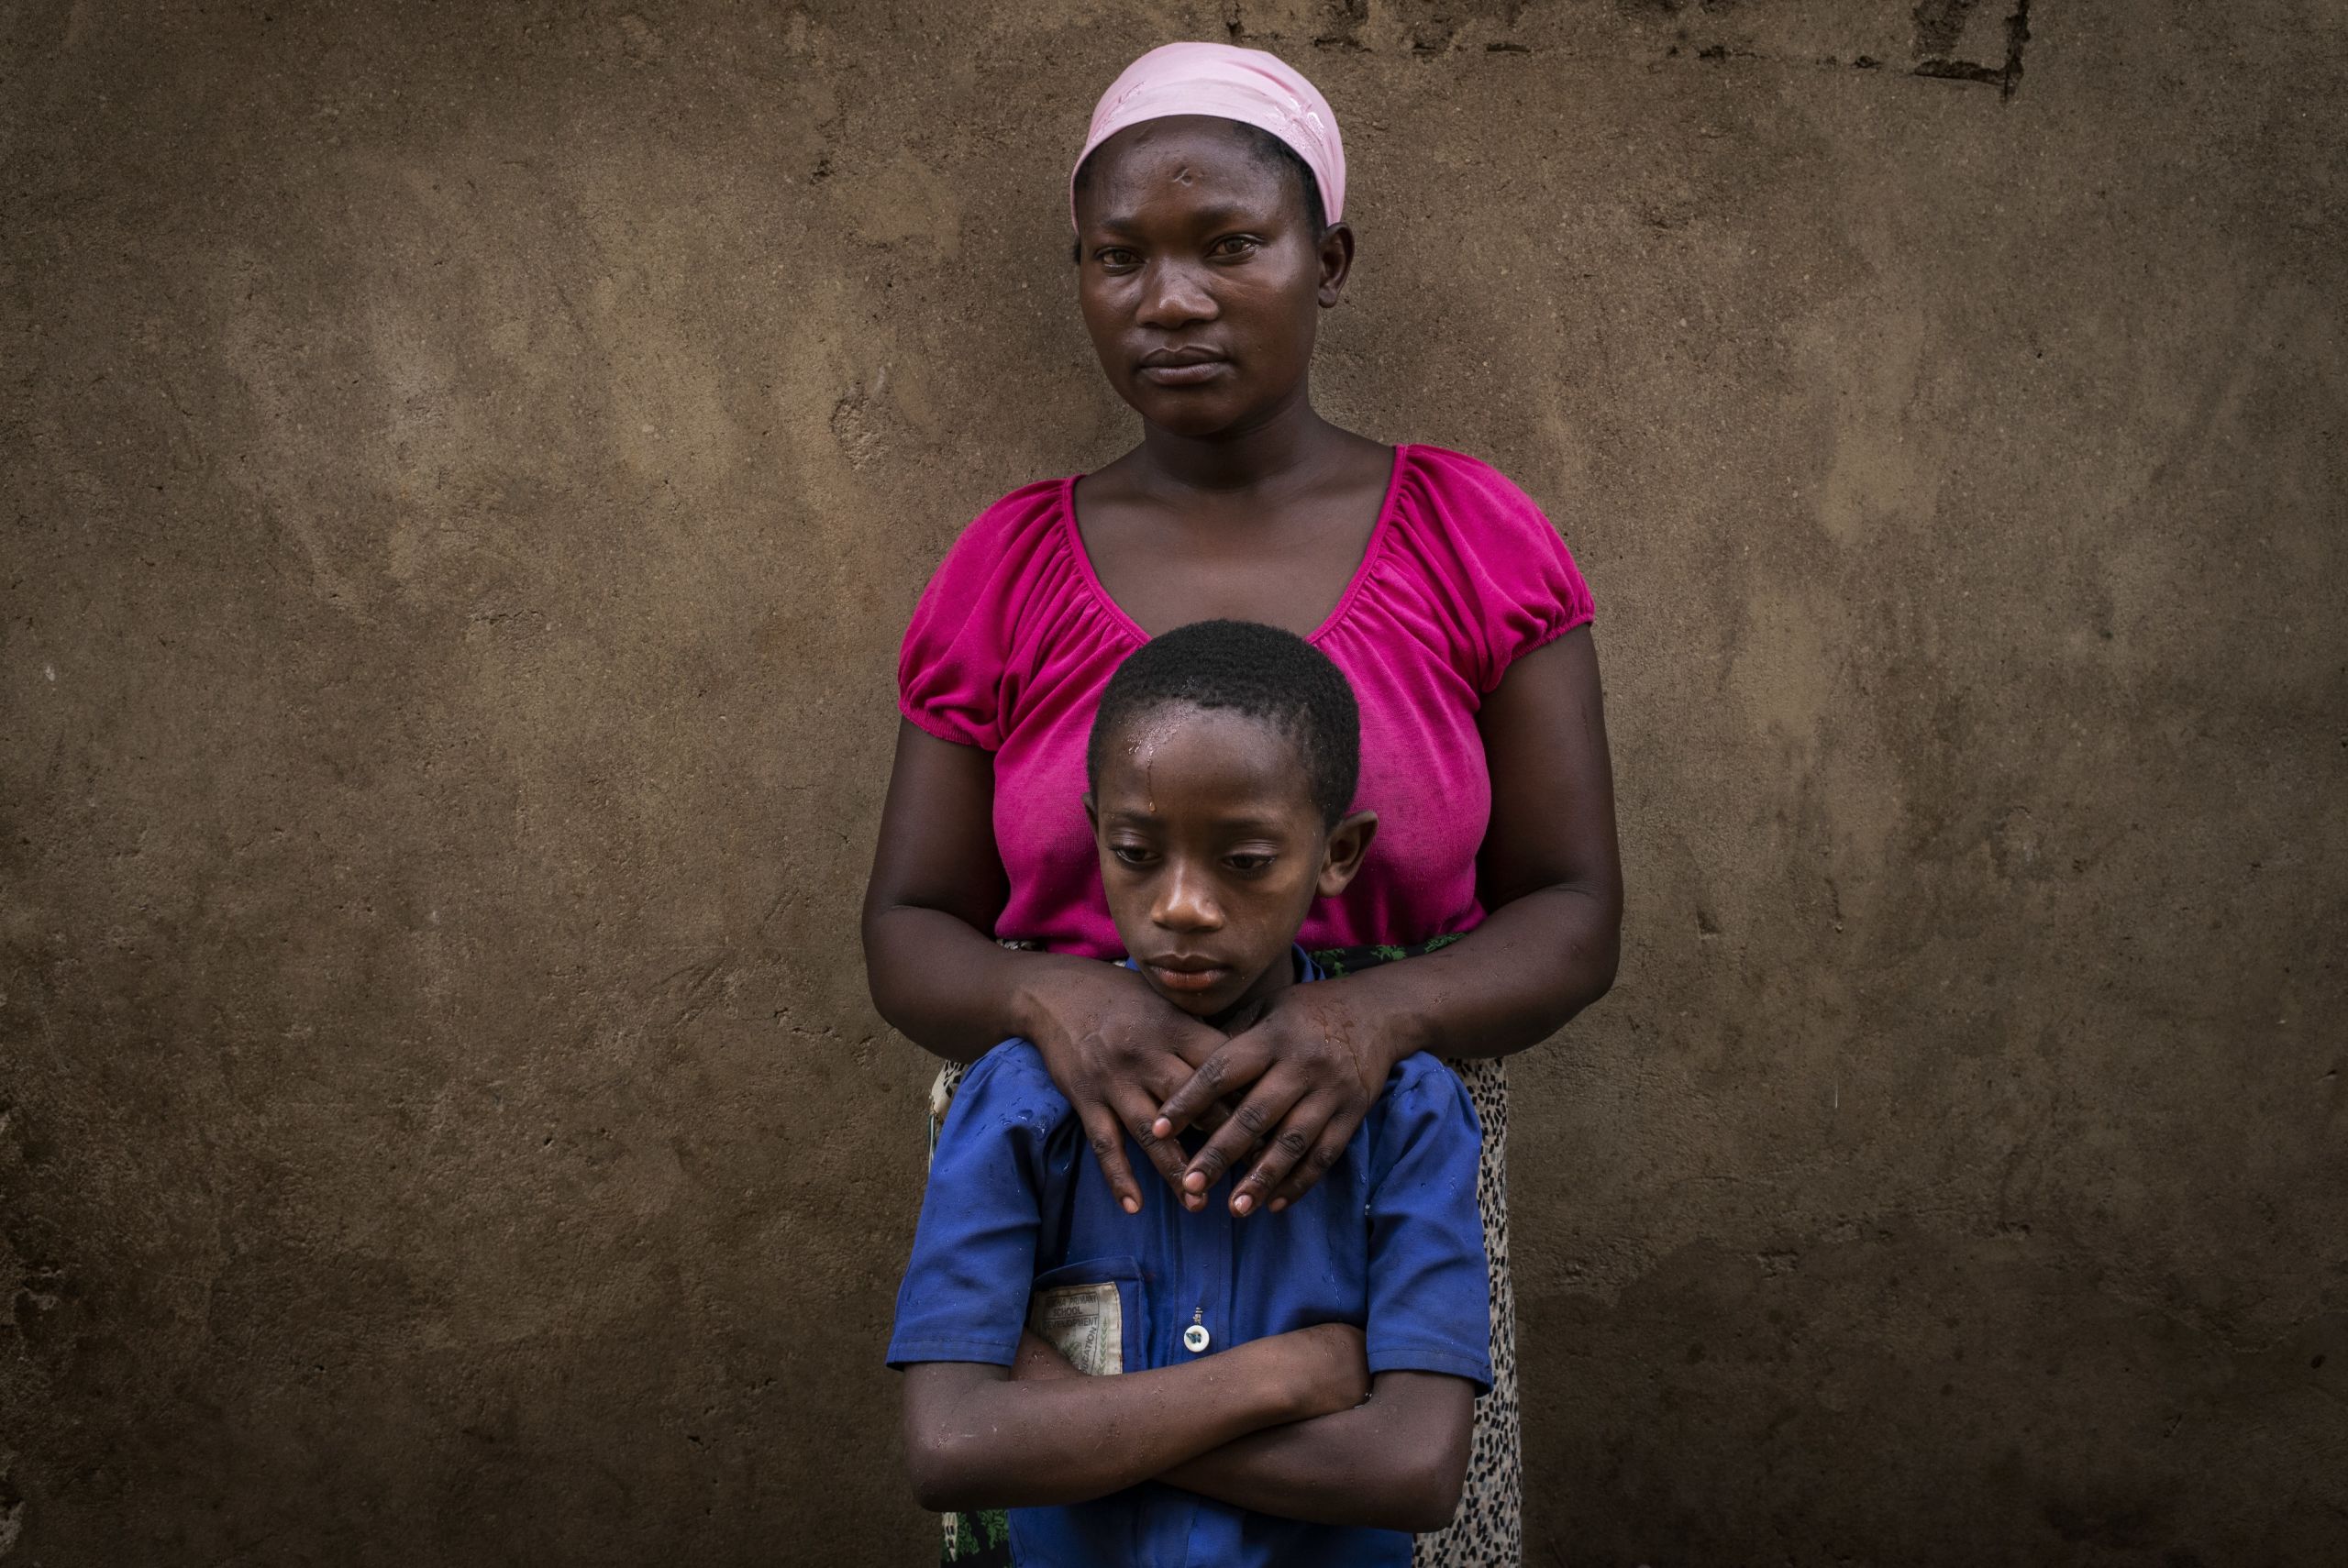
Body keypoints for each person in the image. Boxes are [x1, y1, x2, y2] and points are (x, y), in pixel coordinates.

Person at [863, 39, 1623, 1565]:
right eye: (1117, 258)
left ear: (1326, 258)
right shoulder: (1005, 568)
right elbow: (906, 926)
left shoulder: (1474, 538)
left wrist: (1377, 1021)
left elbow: (1576, 910)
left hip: (1374, 1174)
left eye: (1230, 246)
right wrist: (1044, 1000)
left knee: (1376, 1516)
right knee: (1081, 1518)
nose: (1173, 300)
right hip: (1066, 1162)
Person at [892, 620, 1491, 1567]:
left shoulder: (1409, 1120)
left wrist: (1072, 1422)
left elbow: (1412, 1468)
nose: (1181, 904)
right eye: (1136, 852)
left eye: (1244, 862)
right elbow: (952, 1446)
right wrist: (1282, 1377)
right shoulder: (1017, 1107)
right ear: (1094, 835)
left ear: (1338, 854)